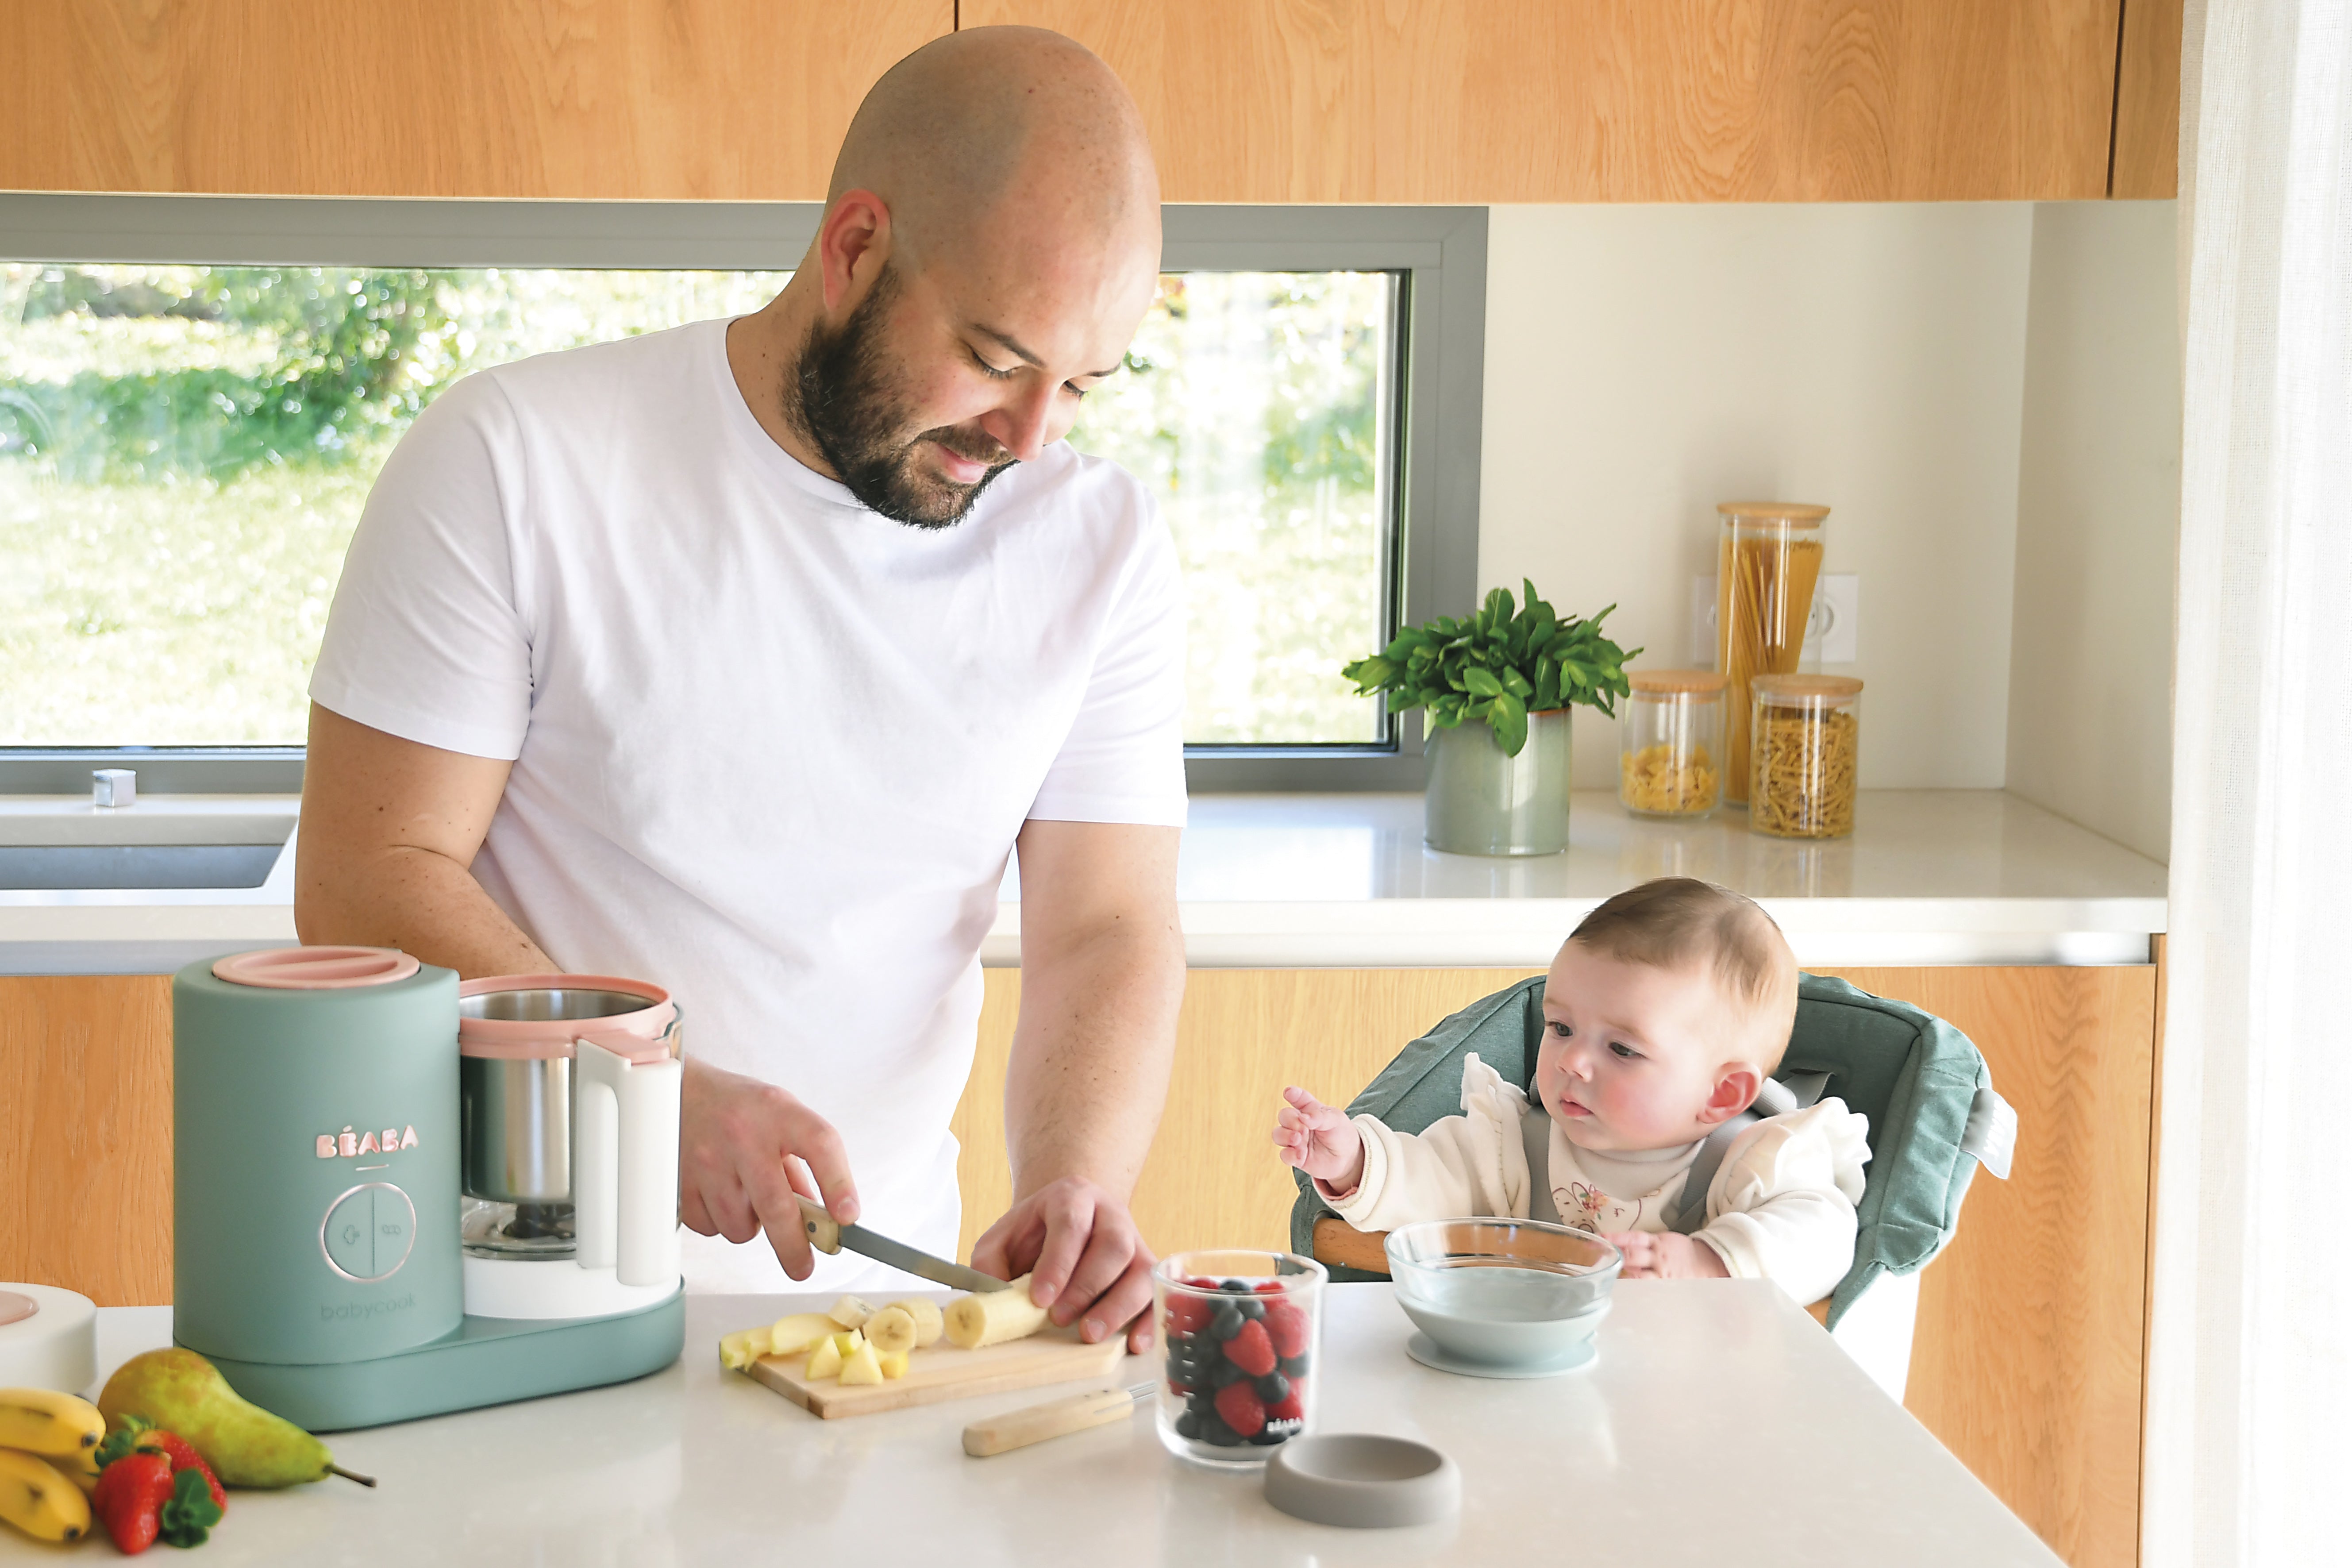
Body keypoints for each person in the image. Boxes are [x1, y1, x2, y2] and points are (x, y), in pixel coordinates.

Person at [294, 26, 1186, 1349]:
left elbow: (1104, 925)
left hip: (875, 1319)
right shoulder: (519, 460)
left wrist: (1074, 1180)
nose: (1030, 436)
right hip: (510, 1299)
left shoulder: (1097, 545)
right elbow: (368, 879)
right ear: (855, 247)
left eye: (1082, 383)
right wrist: (637, 1085)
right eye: (998, 359)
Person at [1274, 879, 1870, 1304]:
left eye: (1622, 1049)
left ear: (1721, 1095)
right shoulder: (1516, 1146)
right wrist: (1355, 1160)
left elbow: (1822, 1233)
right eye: (1561, 1029)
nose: (1573, 1061)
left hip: (1684, 1409)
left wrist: (1708, 1263)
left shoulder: (1751, 1163)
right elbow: (1429, 1179)